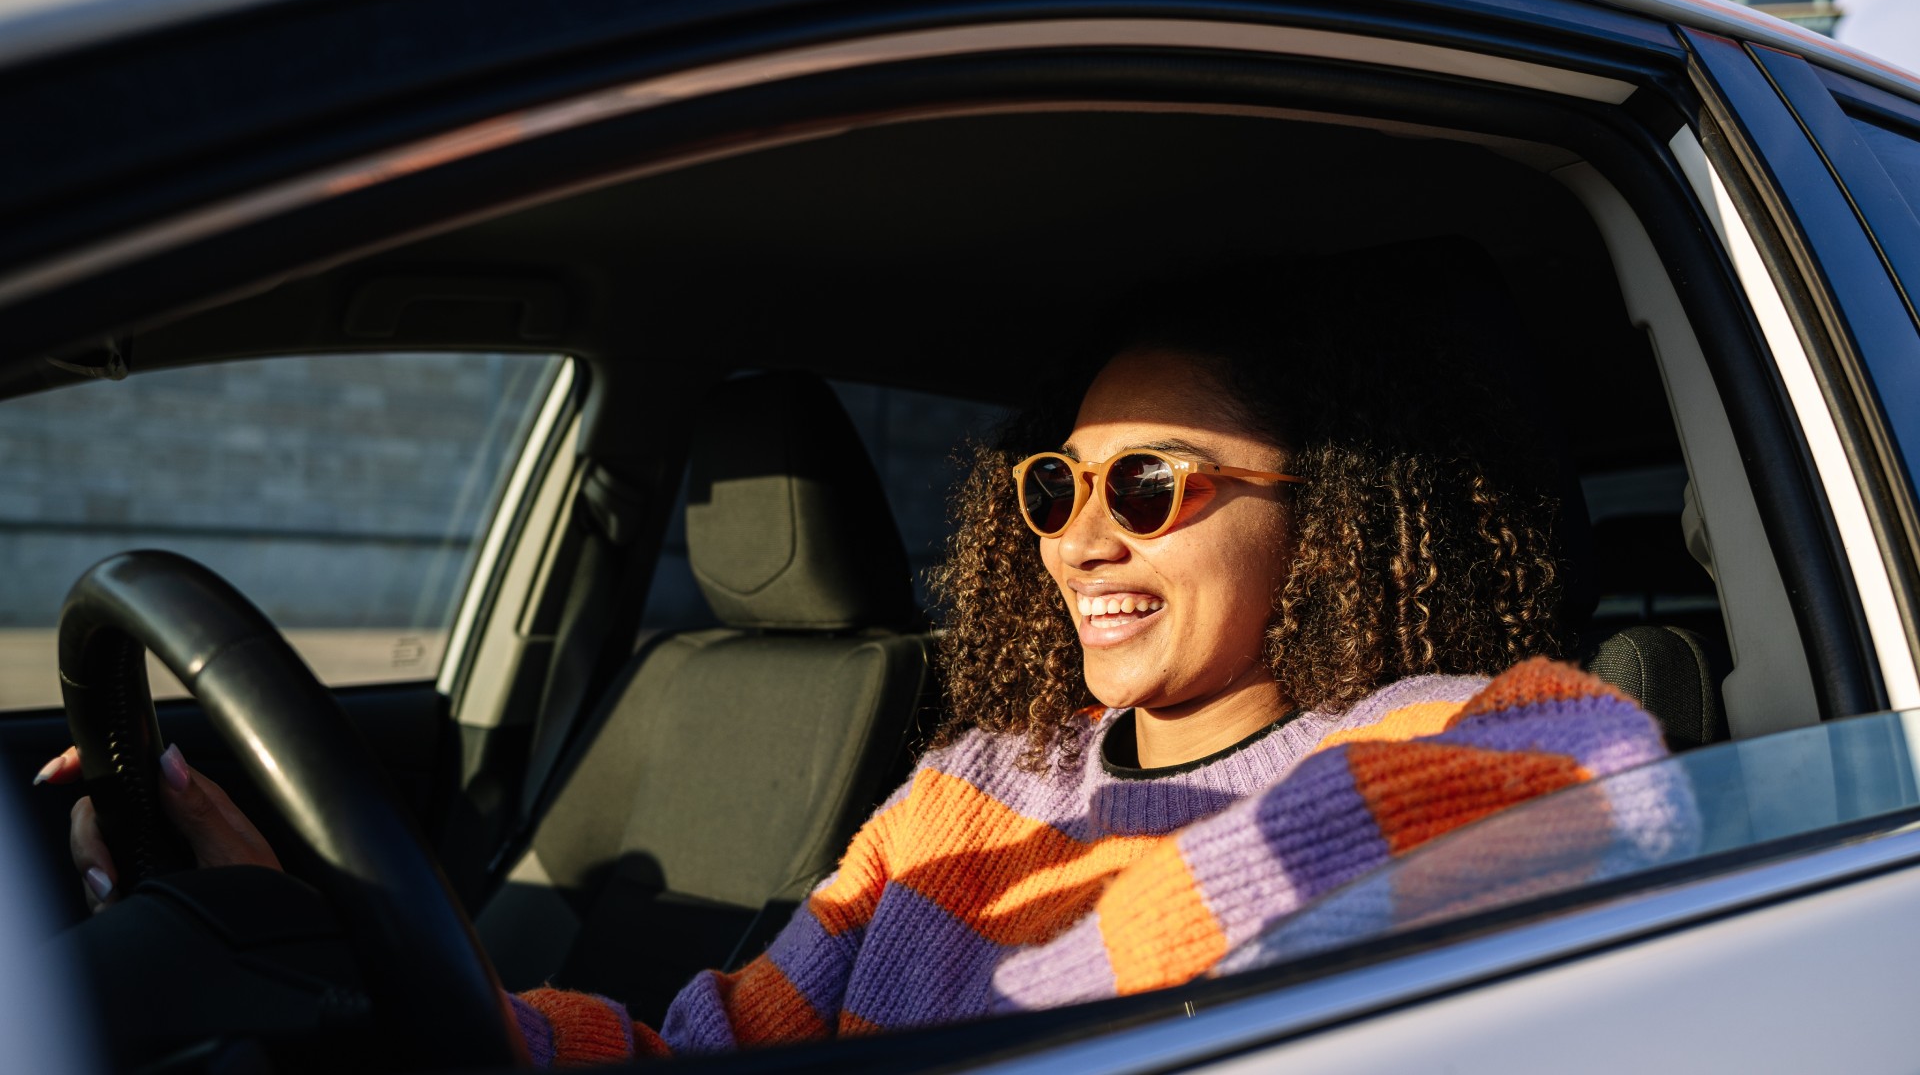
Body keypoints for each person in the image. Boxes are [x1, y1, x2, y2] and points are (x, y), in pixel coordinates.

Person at [43, 266, 1670, 1065]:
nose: (1083, 541)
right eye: (1055, 487)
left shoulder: (1445, 728)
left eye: (1150, 486)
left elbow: (1601, 771)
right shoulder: (976, 789)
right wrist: (343, 939)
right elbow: (710, 1048)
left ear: (1324, 524)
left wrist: (1055, 982)